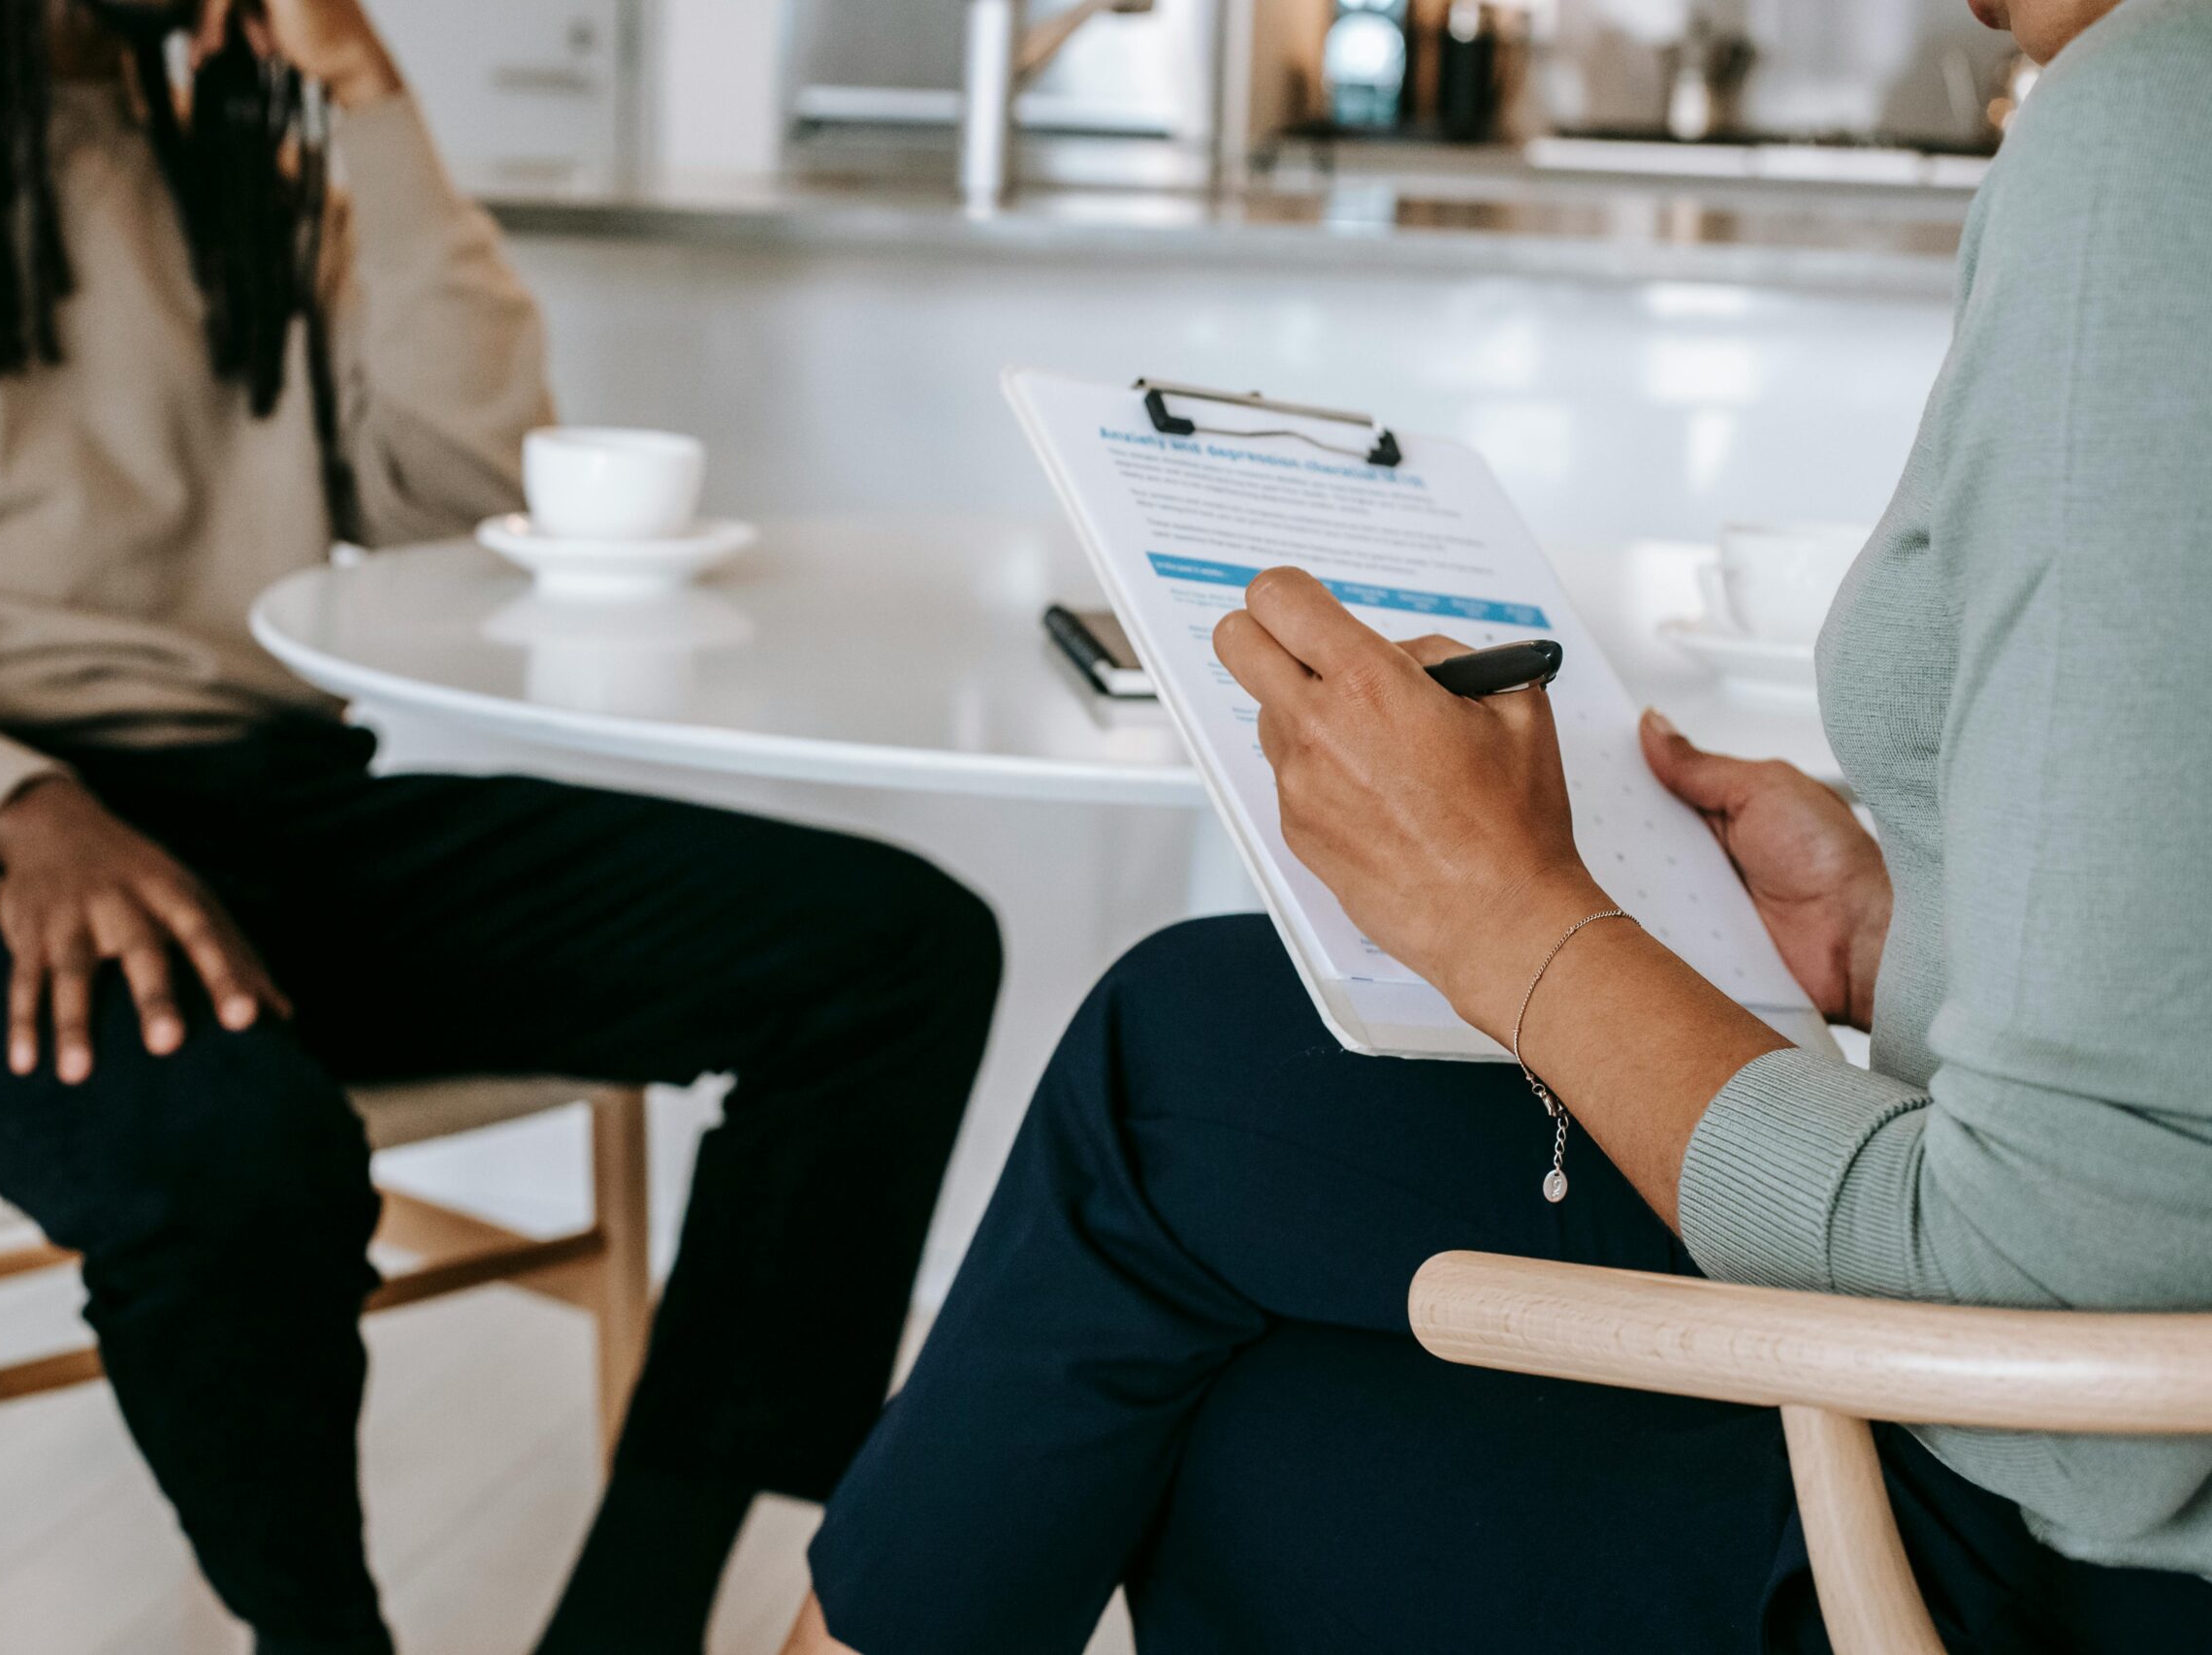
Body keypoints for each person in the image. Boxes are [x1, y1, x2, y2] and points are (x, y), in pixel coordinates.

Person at [781, 0, 2212, 1649]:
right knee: (1219, 1282)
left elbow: (2078, 1341)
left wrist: (1508, 921)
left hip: (2074, 1561)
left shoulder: (2158, 112)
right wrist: (1896, 937)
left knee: (1183, 1075)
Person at [0, 2, 1001, 1651]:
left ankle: (636, 1617)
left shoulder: (233, 130)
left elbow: (459, 496)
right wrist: (13, 806)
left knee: (891, 954)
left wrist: (376, 108)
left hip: (262, 795)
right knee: (233, 1153)